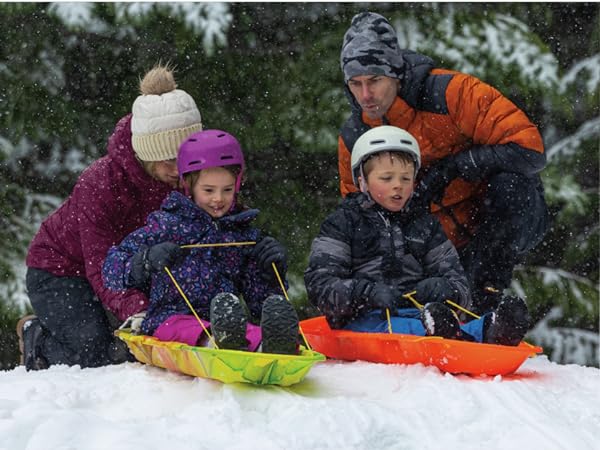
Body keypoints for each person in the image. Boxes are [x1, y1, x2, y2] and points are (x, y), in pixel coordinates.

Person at [337, 12, 549, 316]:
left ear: (395, 73)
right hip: (432, 244)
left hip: (497, 220)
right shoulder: (354, 136)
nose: (366, 95)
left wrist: (454, 168)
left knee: (513, 186)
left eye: (374, 80)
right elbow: (357, 216)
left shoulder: (452, 93)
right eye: (355, 84)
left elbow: (530, 151)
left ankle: (487, 300)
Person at [15, 64, 204, 370]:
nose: (179, 171)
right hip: (62, 270)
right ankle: (36, 335)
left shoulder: (189, 179)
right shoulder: (101, 182)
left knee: (136, 351)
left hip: (132, 268)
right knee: (93, 354)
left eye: (186, 161)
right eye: (170, 161)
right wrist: (137, 308)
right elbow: (101, 266)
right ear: (147, 152)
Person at [305, 126, 530, 346]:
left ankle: (494, 328)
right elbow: (320, 285)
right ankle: (447, 334)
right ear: (362, 181)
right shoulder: (343, 223)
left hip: (420, 314)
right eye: (386, 178)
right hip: (360, 319)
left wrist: (446, 289)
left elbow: (460, 286)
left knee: (434, 322)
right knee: (410, 328)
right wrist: (366, 293)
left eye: (406, 179)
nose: (398, 186)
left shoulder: (424, 225)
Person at [102, 129, 299, 355]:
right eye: (208, 190)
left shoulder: (242, 234)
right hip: (168, 320)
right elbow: (111, 272)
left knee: (249, 330)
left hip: (228, 320)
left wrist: (270, 271)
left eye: (227, 190)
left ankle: (270, 344)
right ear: (188, 184)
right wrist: (145, 260)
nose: (218, 199)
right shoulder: (166, 226)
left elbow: (257, 302)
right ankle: (219, 342)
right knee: (186, 327)